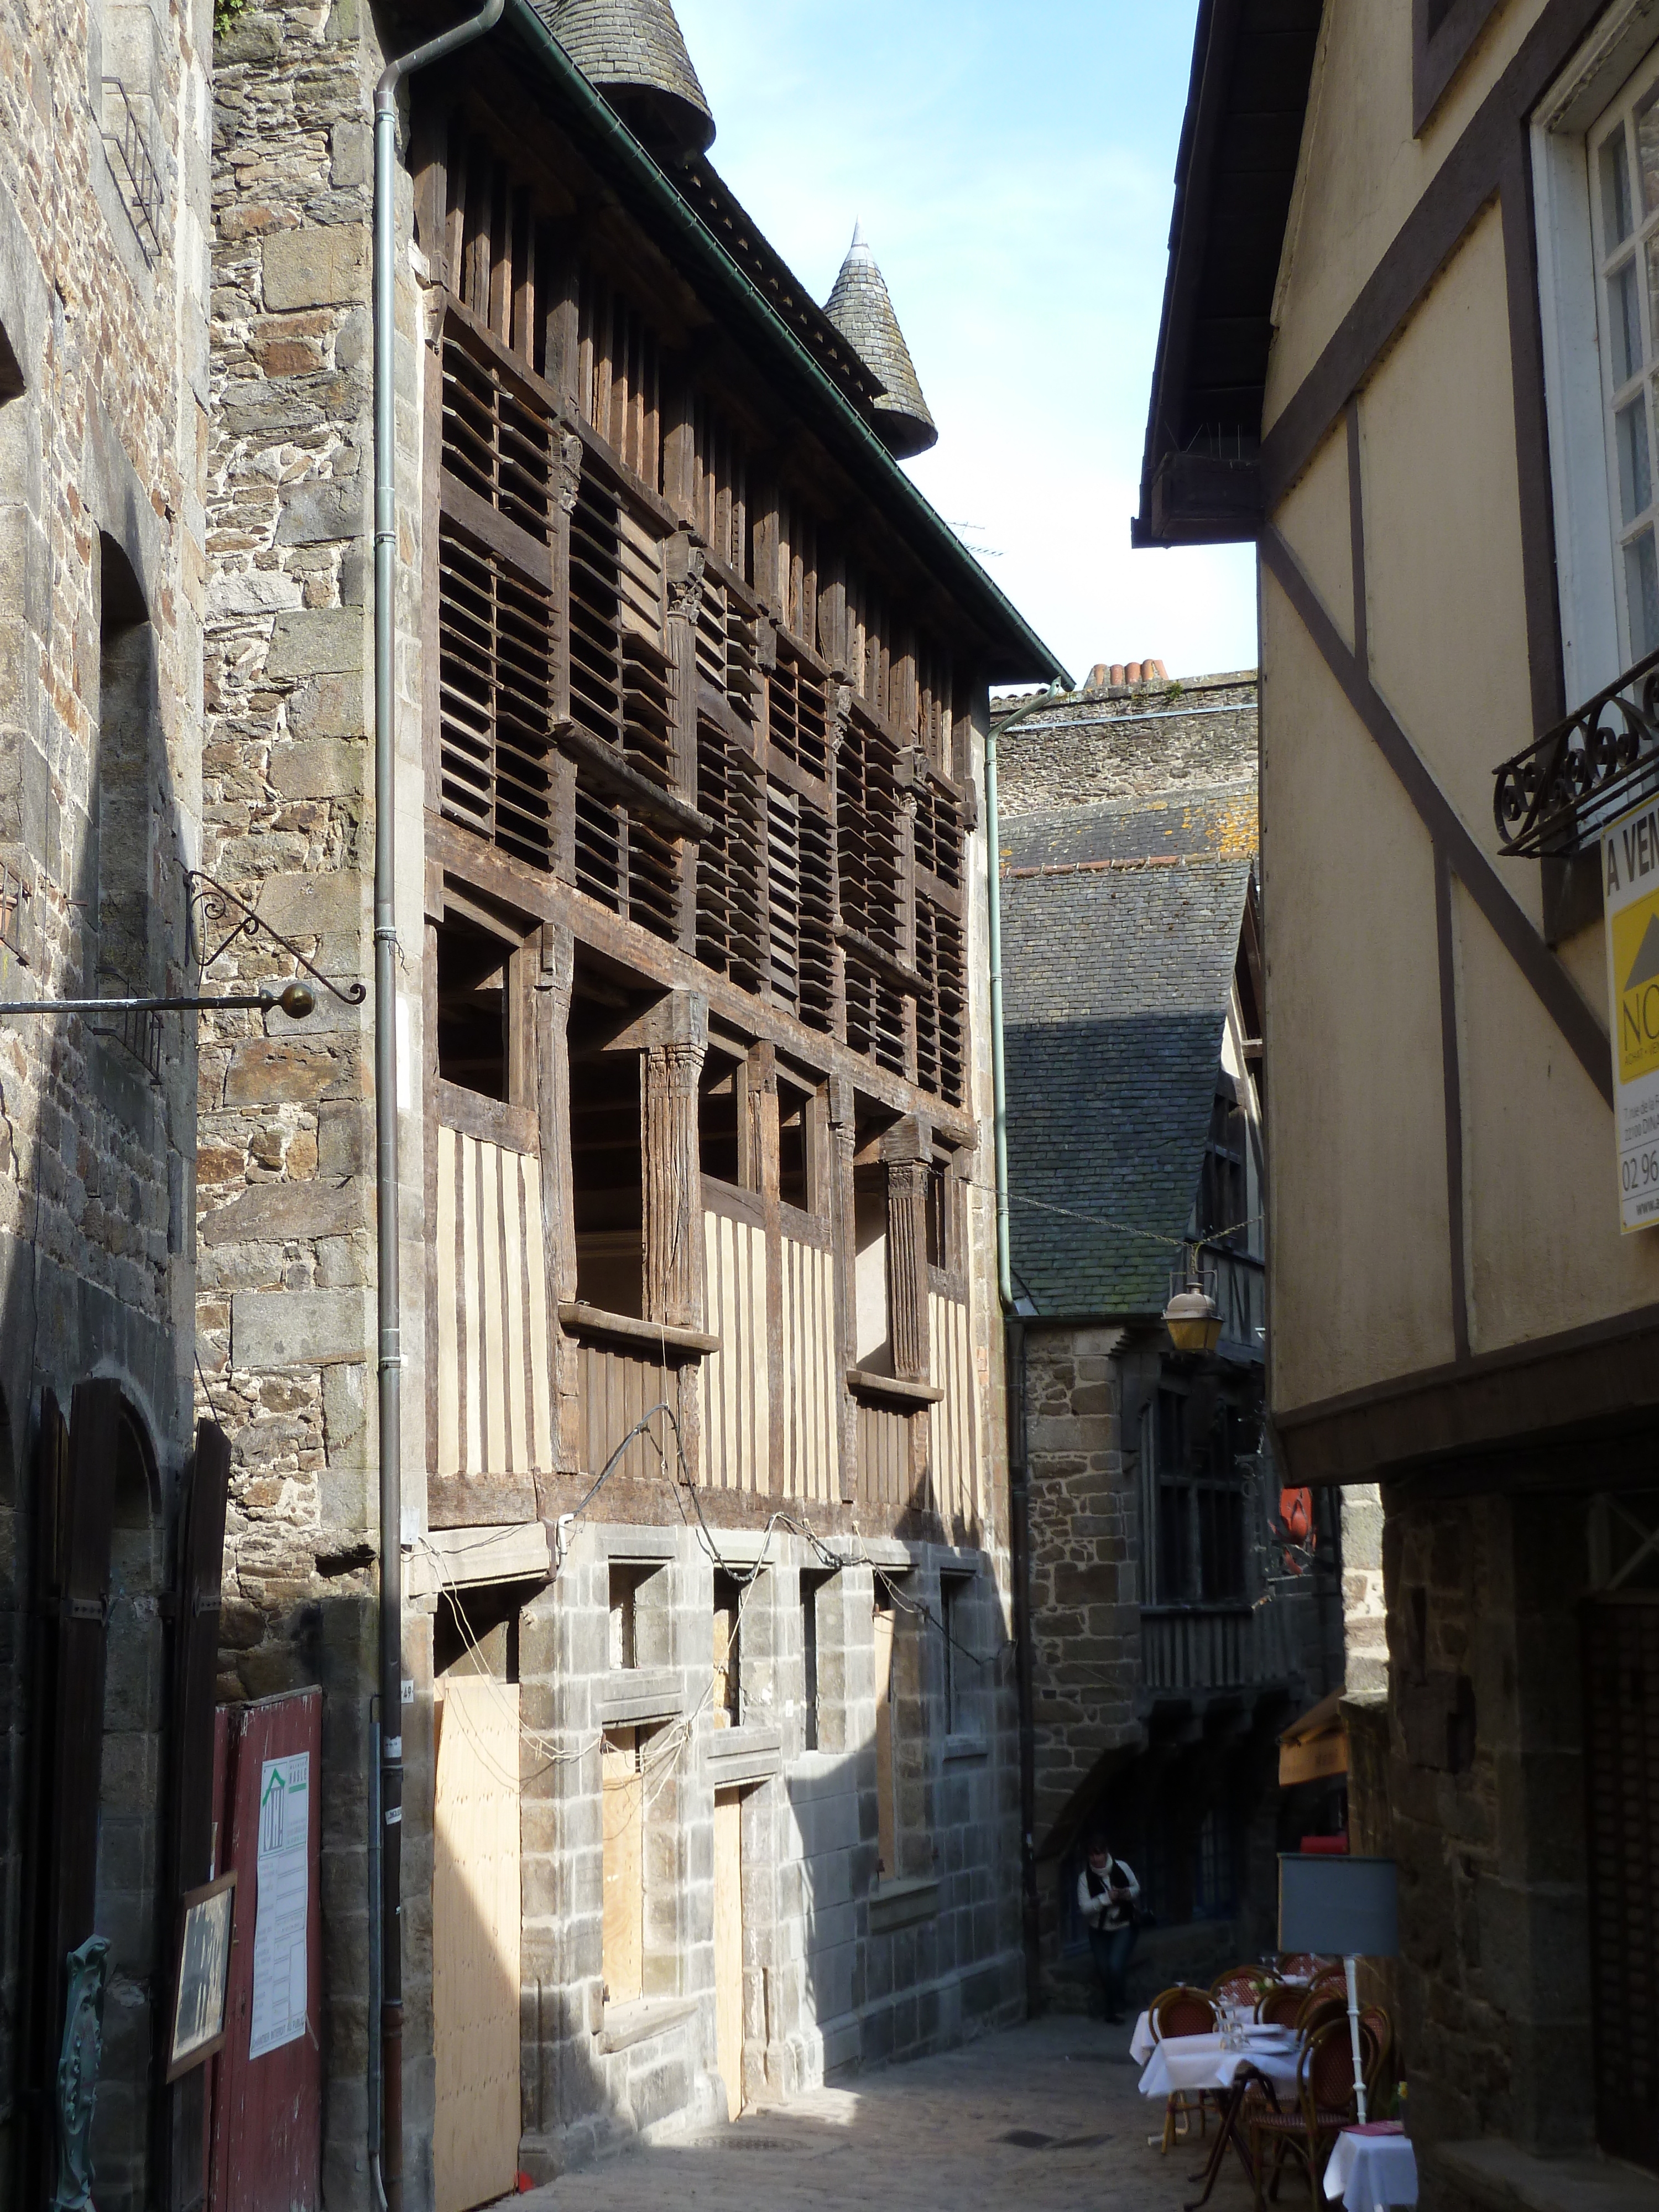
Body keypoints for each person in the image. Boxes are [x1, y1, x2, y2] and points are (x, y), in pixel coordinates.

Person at [1077, 1833, 1139, 2022]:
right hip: (1099, 1931)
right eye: (1092, 1856)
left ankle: (1118, 2008)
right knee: (1104, 1969)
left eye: (1099, 1855)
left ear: (1106, 1854)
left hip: (1123, 1925)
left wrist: (1125, 1893)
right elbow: (1085, 1908)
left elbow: (1136, 1888)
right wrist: (1104, 1900)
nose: (1096, 1859)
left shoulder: (1122, 1868)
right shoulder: (1085, 1879)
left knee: (1114, 1965)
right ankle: (1111, 2006)